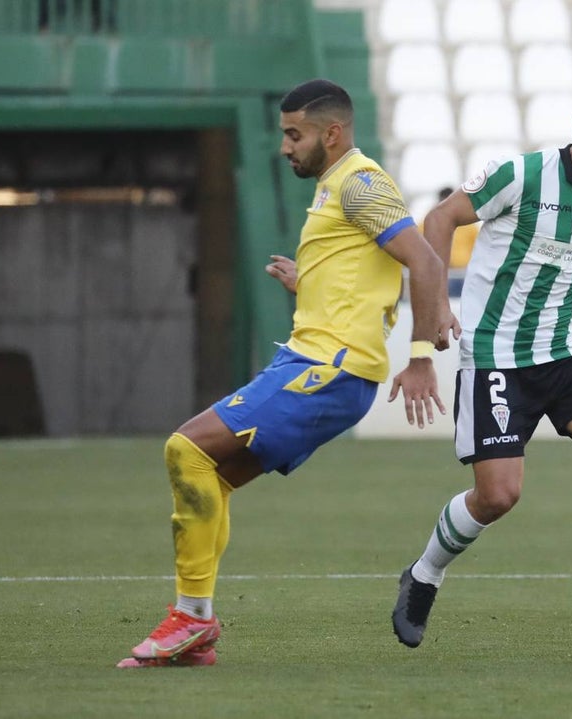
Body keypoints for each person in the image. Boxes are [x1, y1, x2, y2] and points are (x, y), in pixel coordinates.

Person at [116, 79, 454, 669]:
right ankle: (194, 630)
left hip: (330, 369)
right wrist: (311, 283)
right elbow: (373, 274)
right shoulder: (335, 187)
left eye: (294, 135)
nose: (284, 147)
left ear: (332, 133)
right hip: (312, 361)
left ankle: (190, 618)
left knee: (184, 450)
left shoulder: (361, 182)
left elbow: (423, 259)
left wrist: (421, 355)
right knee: (210, 477)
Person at [391, 75, 572, 658]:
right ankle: (423, 575)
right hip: (497, 356)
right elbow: (440, 220)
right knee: (497, 497)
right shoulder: (519, 175)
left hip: (569, 354)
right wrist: (439, 301)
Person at [420, 186, 479, 297]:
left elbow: (478, 249)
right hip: (438, 274)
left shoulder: (469, 225)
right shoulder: (427, 223)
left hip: (462, 275)